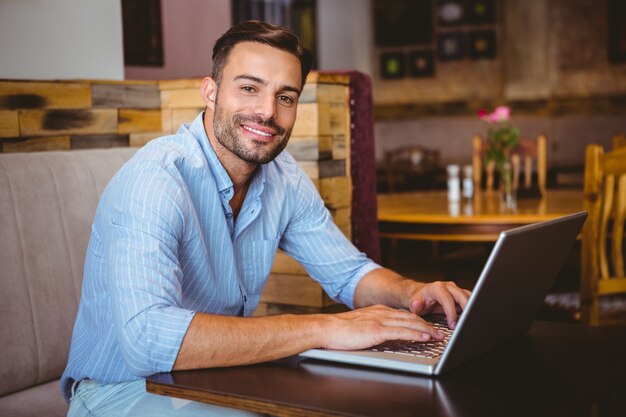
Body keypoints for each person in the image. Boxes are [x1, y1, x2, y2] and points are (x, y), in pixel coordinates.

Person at [61, 20, 471, 416]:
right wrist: (324, 329)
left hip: (217, 379)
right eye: (249, 88)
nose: (267, 111)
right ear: (211, 91)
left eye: (286, 97)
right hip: (117, 392)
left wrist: (414, 293)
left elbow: (348, 275)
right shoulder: (155, 180)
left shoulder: (283, 177)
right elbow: (147, 341)